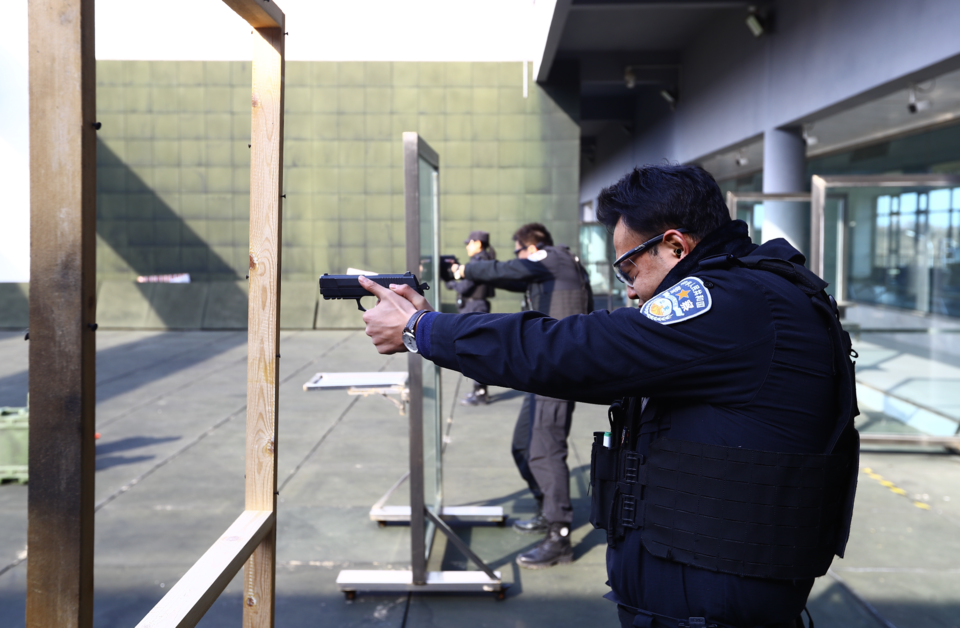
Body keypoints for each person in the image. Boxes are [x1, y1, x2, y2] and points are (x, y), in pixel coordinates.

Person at [357, 164, 859, 627]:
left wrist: (422, 330)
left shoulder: (729, 300)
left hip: (711, 602)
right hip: (709, 588)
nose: (633, 292)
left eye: (629, 270)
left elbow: (575, 351)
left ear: (676, 246)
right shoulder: (750, 292)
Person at [449, 222, 592, 569]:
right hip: (542, 373)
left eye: (518, 251)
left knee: (544, 451)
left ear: (532, 246)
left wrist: (467, 268)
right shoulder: (550, 270)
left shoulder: (555, 257)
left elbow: (509, 269)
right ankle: (548, 511)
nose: (517, 257)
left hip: (557, 372)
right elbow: (510, 276)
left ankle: (559, 537)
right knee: (523, 447)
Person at [445, 230, 496, 406]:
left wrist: (450, 280)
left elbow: (465, 287)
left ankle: (481, 391)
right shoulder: (483, 260)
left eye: (469, 243)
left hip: (475, 306)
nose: (467, 246)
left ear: (478, 244)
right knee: (475, 349)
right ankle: (479, 390)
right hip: (475, 305)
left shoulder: (479, 261)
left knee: (475, 350)